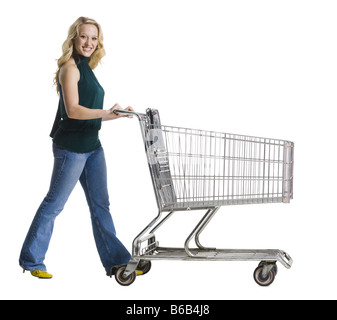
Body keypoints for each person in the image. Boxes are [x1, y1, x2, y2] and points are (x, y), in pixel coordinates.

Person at [19, 16, 135, 279]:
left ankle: (118, 262)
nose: (89, 42)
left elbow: (93, 109)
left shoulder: (87, 67)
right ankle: (31, 260)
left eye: (94, 38)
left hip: (93, 146)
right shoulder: (70, 68)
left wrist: (116, 112)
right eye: (84, 36)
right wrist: (107, 113)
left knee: (100, 205)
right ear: (74, 37)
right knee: (54, 204)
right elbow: (73, 110)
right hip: (71, 148)